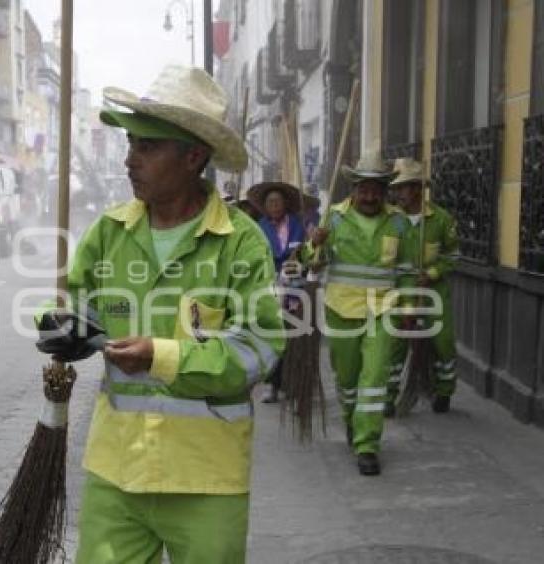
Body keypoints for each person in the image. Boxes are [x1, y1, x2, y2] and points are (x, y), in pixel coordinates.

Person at [36, 65, 284, 563]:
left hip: (206, 479)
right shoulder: (108, 232)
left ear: (193, 156)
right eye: (130, 145)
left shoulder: (240, 244)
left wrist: (160, 357)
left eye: (146, 148)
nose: (130, 161)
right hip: (115, 473)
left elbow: (259, 350)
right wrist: (59, 326)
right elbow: (75, 305)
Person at [309, 150, 410, 476]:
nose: (370, 196)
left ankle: (368, 444)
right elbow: (312, 264)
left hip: (383, 309)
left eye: (376, 190)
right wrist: (316, 245)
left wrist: (409, 306)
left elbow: (407, 270)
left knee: (375, 375)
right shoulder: (333, 219)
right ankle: (352, 418)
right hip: (341, 309)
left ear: (385, 191)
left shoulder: (398, 222)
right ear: (353, 190)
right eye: (364, 189)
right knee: (348, 378)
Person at [387, 158, 460, 414]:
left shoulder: (441, 219)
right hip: (399, 289)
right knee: (395, 343)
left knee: (443, 342)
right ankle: (389, 396)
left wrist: (433, 273)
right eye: (395, 188)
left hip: (432, 290)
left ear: (418, 188)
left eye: (403, 187)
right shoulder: (390, 220)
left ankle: (443, 390)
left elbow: (452, 255)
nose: (397, 193)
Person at [248, 181, 308, 403]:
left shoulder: (298, 225)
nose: (274, 205)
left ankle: (293, 384)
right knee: (272, 337)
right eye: (270, 202)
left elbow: (308, 255)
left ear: (285, 204)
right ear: (264, 206)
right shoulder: (258, 227)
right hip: (270, 288)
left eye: (278, 201)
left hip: (296, 290)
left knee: (295, 339)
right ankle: (273, 385)